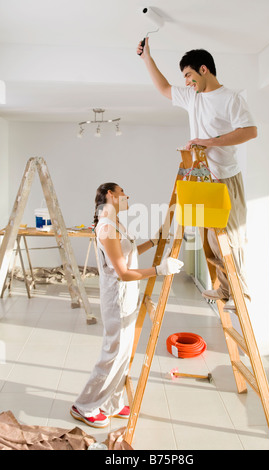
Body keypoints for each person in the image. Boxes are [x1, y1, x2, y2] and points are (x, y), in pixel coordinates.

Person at [137, 38, 257, 312]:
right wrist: (147, 59)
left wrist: (209, 142)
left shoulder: (231, 98)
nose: (187, 82)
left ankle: (242, 295)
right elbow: (164, 88)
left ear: (204, 69)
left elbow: (250, 131)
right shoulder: (193, 97)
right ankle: (226, 290)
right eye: (185, 78)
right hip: (203, 176)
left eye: (189, 75)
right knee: (211, 238)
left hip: (226, 176)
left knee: (231, 237)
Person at [70, 182, 183, 428]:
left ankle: (113, 402)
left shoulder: (115, 223)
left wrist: (153, 242)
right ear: (111, 195)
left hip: (127, 296)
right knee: (113, 354)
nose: (127, 195)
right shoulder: (107, 228)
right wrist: (159, 270)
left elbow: (128, 254)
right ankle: (84, 405)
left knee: (123, 355)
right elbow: (123, 272)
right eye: (123, 192)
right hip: (117, 299)